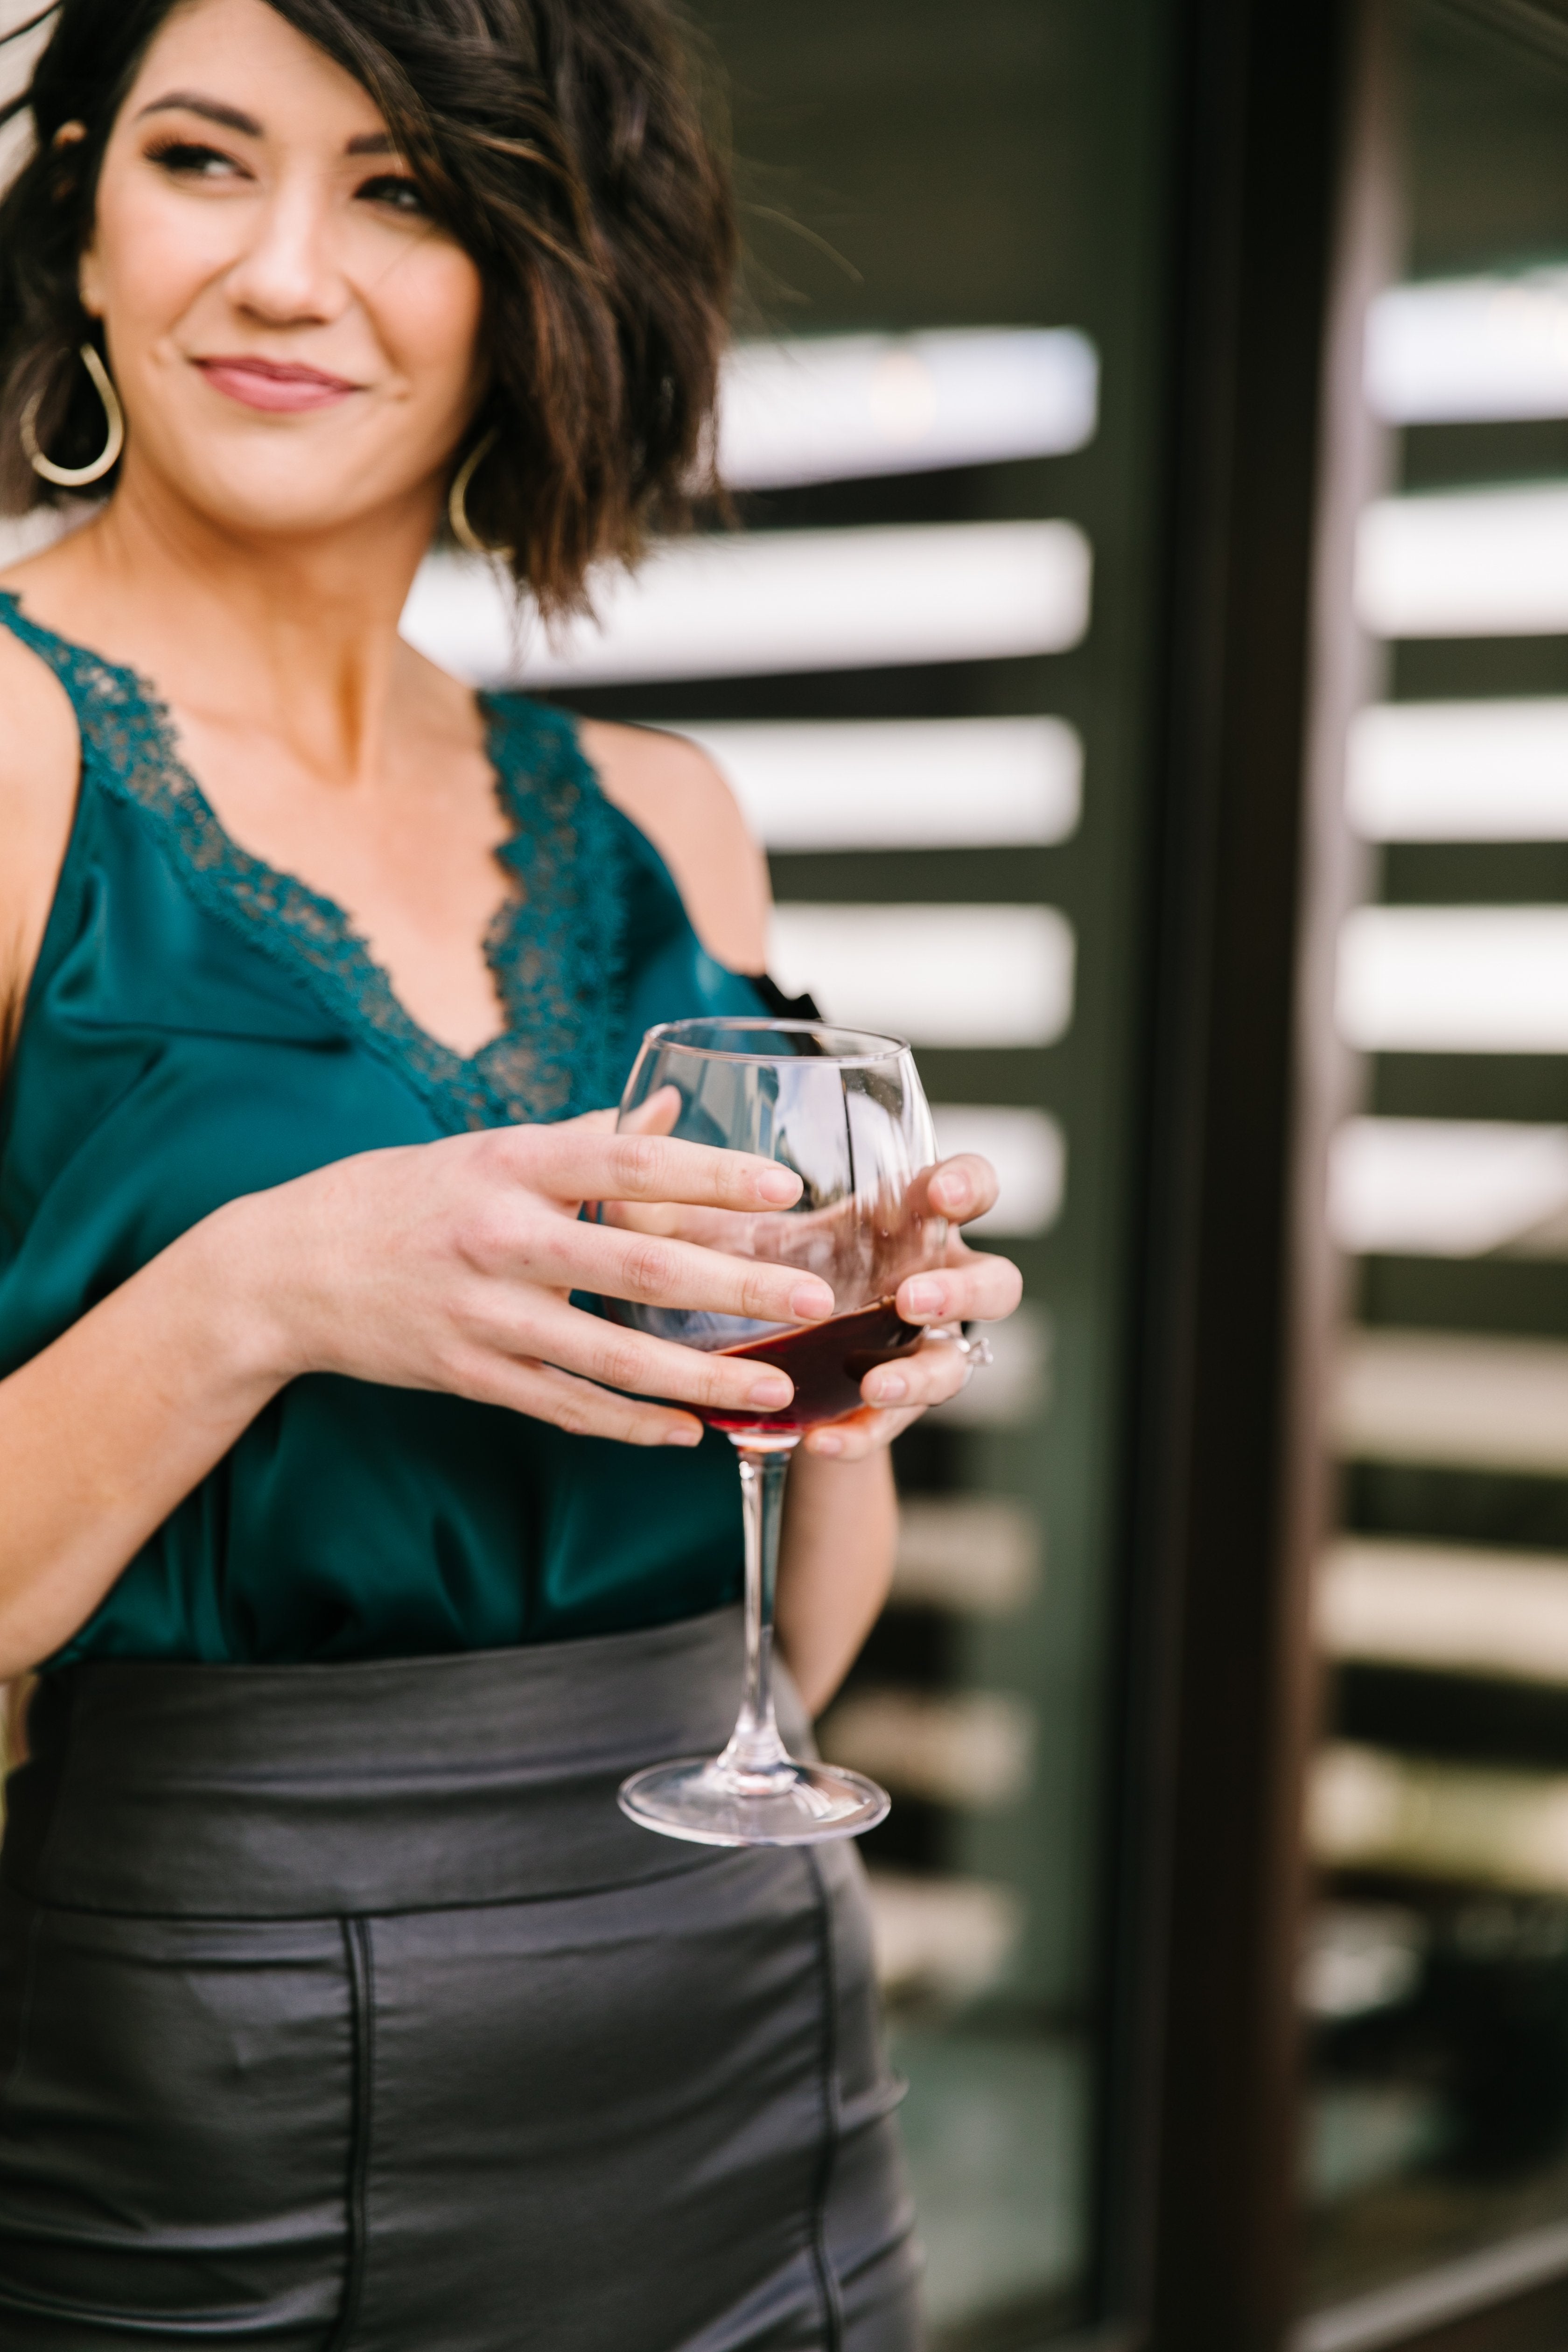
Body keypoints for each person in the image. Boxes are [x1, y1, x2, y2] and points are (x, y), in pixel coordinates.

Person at [0, 1, 1024, 2345]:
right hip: (228, 2092)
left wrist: (845, 1362)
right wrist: (259, 1292)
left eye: (402, 190)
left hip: (756, 2032)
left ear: (536, 281)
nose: (282, 271)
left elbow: (795, 1635)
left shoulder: (668, 816)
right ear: (82, 222)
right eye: (199, 160)